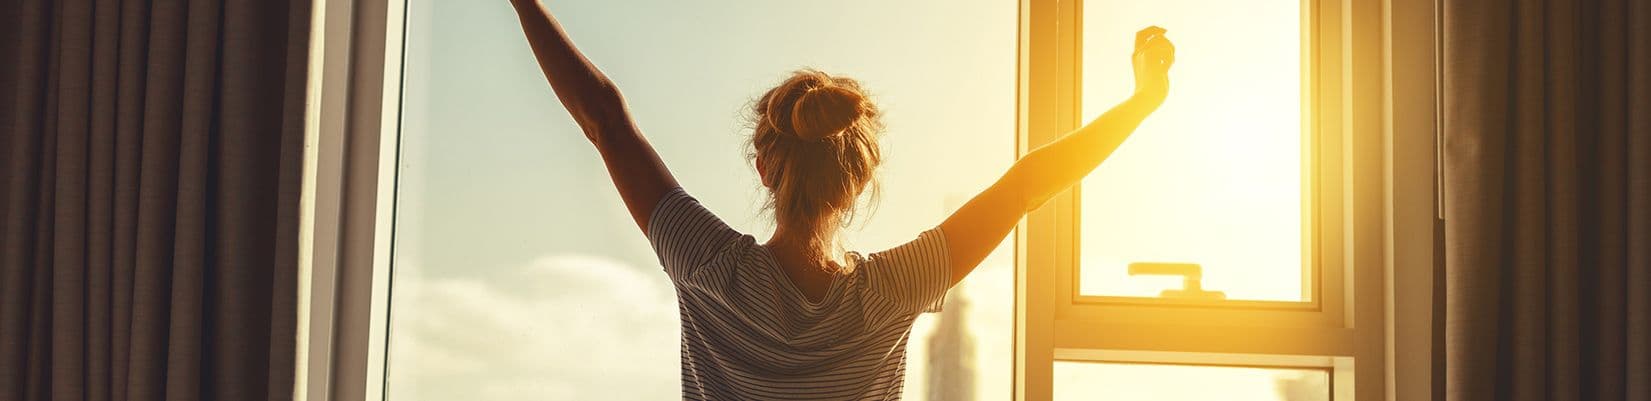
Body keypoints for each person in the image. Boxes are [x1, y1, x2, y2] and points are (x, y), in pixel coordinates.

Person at [507, 1, 1174, 399]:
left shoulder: (708, 266)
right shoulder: (894, 289)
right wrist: (1141, 103)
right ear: (858, 181)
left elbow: (605, 121)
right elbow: (1029, 182)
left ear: (764, 169)